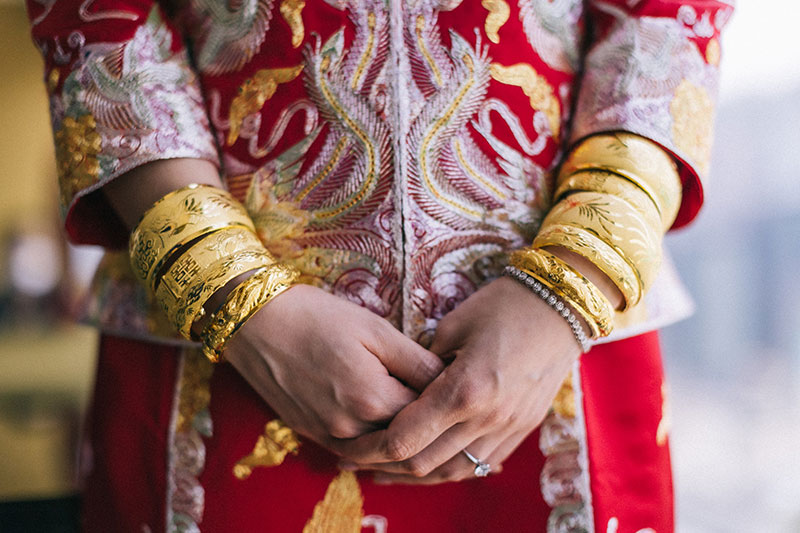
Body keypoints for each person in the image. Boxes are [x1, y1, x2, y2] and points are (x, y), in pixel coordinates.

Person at [26, 0, 732, 531]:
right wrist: (232, 293)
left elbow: (667, 16)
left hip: (553, 365)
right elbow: (98, 19)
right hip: (220, 364)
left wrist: (572, 286)